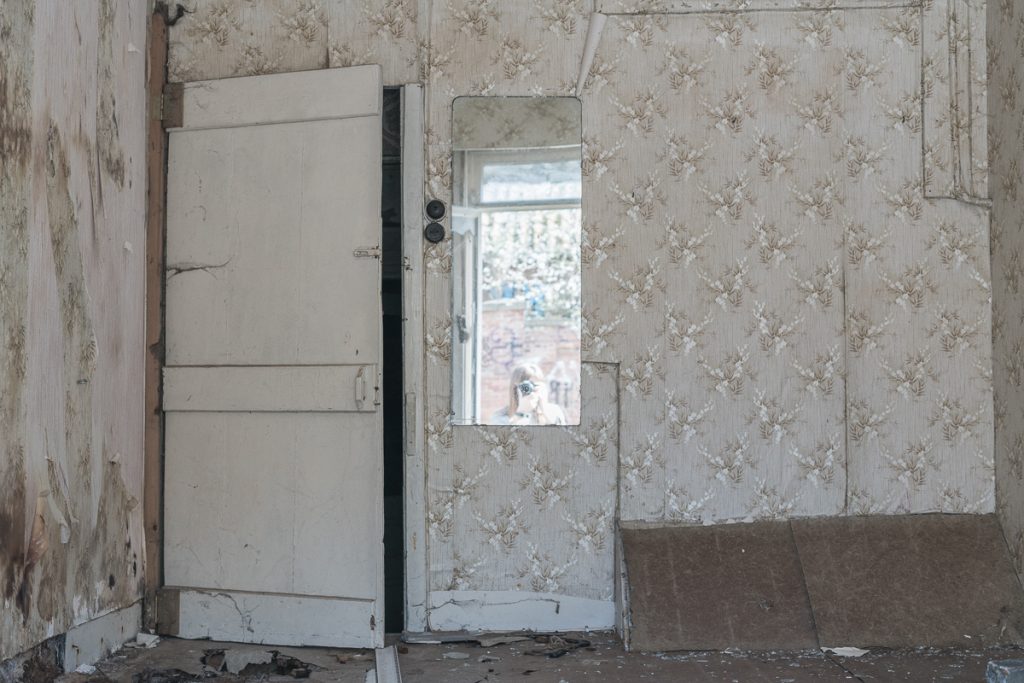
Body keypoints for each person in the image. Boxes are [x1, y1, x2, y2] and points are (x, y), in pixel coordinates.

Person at [490, 364, 566, 426]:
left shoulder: (554, 411)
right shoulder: (499, 417)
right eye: (525, 386)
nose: (530, 390)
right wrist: (521, 412)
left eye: (534, 385)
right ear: (515, 389)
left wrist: (544, 409)